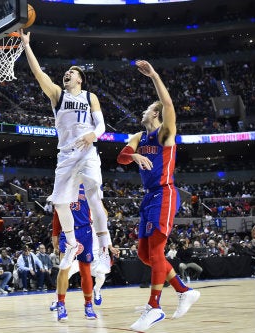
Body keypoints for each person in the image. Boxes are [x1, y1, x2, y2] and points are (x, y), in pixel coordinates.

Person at [116, 60, 200, 331]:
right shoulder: (139, 136)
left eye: (148, 109)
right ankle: (183, 290)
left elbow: (169, 105)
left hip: (165, 193)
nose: (143, 111)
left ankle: (154, 307)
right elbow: (122, 157)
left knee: (155, 251)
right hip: (149, 197)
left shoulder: (166, 134)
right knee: (144, 254)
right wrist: (135, 153)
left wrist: (153, 75)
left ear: (156, 114)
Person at [20, 29, 112, 272]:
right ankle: (71, 245)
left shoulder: (90, 97)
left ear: (80, 78)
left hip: (87, 149)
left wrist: (95, 134)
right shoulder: (57, 95)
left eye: (71, 72)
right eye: (66, 72)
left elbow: (101, 124)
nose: (67, 74)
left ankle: (104, 250)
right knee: (60, 203)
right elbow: (38, 73)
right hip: (66, 154)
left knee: (94, 198)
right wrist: (26, 45)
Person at [50, 184, 116, 322]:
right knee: (64, 269)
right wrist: (55, 234)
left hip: (85, 231)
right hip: (68, 231)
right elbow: (58, 211)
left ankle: (88, 305)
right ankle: (60, 304)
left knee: (85, 271)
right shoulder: (64, 181)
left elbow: (103, 213)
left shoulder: (90, 183)